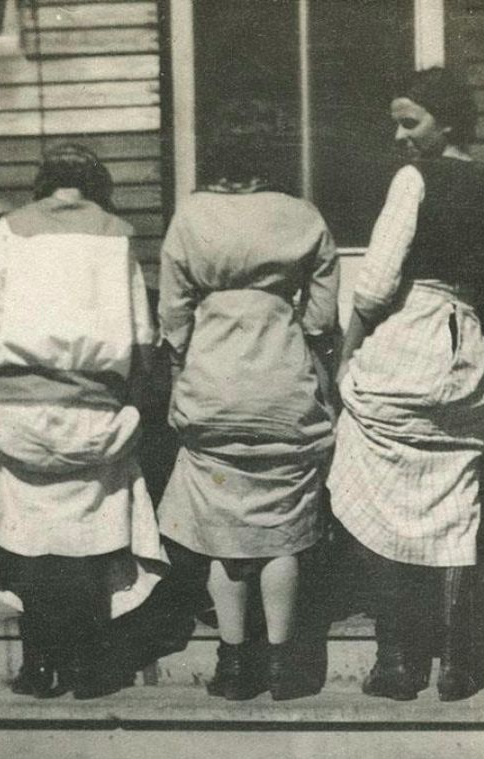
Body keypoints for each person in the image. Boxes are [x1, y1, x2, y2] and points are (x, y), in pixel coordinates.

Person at [328, 67, 484, 702]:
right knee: (454, 507)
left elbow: (376, 283)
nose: (399, 136)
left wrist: (348, 357)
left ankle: (399, 660)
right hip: (464, 354)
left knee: (380, 494)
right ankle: (458, 663)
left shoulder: (414, 179)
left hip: (408, 342)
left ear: (448, 122)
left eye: (410, 123)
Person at [0, 142, 167, 699]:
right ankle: (85, 666)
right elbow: (141, 336)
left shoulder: (11, 228)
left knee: (26, 535)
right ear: (97, 183)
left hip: (21, 408)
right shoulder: (116, 233)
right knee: (89, 534)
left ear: (44, 181)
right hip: (94, 411)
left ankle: (38, 665)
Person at [157, 100, 339, 701]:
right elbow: (320, 319)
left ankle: (234, 664)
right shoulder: (302, 216)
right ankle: (283, 666)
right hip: (282, 391)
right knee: (281, 530)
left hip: (213, 390)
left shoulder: (191, 217)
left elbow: (174, 317)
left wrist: (183, 371)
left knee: (223, 533)